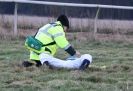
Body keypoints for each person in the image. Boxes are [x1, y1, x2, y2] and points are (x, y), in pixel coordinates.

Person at [23, 15, 92, 70]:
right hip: (43, 53)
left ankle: (32, 65)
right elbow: (62, 43)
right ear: (64, 26)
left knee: (40, 66)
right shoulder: (58, 28)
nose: (65, 31)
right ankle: (37, 65)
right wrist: (74, 53)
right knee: (52, 68)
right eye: (66, 29)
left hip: (35, 53)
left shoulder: (49, 25)